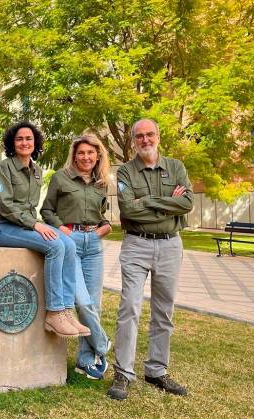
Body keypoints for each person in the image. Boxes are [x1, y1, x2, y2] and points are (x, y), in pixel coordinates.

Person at [107, 119, 193, 400]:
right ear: (133, 140)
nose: (145, 140)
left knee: (163, 311)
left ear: (159, 136)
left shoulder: (176, 167)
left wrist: (147, 202)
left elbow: (187, 203)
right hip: (136, 245)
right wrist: (167, 202)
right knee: (130, 307)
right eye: (139, 136)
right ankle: (123, 373)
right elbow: (128, 211)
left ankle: (156, 371)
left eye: (150, 134)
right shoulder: (125, 172)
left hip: (170, 246)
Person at [0, 121, 89, 338]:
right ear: (12, 144)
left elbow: (31, 207)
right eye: (19, 139)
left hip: (25, 225)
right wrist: (35, 225)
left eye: (29, 139)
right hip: (2, 227)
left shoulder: (37, 171)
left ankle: (67, 311)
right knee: (54, 246)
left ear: (35, 143)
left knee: (69, 244)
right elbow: (6, 207)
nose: (24, 142)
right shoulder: (2, 169)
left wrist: (36, 224)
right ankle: (53, 313)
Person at [40, 134, 113, 380]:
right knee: (81, 301)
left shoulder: (101, 182)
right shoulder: (61, 178)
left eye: (91, 153)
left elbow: (102, 215)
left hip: (93, 244)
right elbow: (47, 210)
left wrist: (104, 229)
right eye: (81, 153)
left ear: (97, 156)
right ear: (74, 155)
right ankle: (102, 344)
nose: (86, 157)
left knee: (94, 303)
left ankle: (85, 361)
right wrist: (64, 231)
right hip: (69, 241)